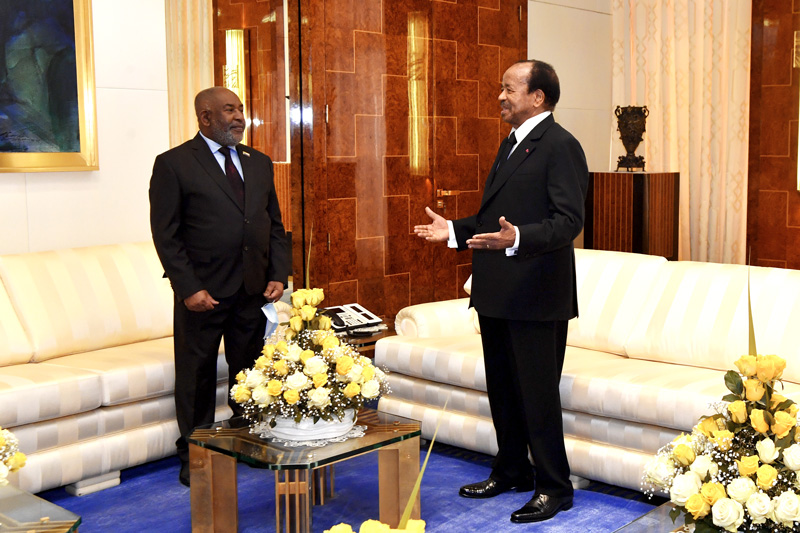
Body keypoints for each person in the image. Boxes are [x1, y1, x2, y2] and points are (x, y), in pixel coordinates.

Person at [414, 60, 588, 523]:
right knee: (505, 392)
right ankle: (511, 469)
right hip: (497, 293)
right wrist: (452, 229)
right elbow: (496, 219)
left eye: (509, 89)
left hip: (536, 295)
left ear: (538, 97)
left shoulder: (560, 145)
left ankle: (555, 486)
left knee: (537, 395)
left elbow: (569, 221)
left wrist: (519, 238)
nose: (500, 97)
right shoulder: (511, 144)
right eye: (501, 88)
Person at [149, 87, 290, 486]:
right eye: (229, 109)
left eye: (241, 109)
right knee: (197, 375)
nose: (239, 116)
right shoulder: (174, 164)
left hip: (252, 289)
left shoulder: (259, 163)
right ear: (205, 117)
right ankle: (194, 455)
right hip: (202, 295)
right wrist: (187, 287)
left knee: (247, 373)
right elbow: (167, 235)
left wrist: (278, 273)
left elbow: (274, 226)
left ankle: (244, 441)